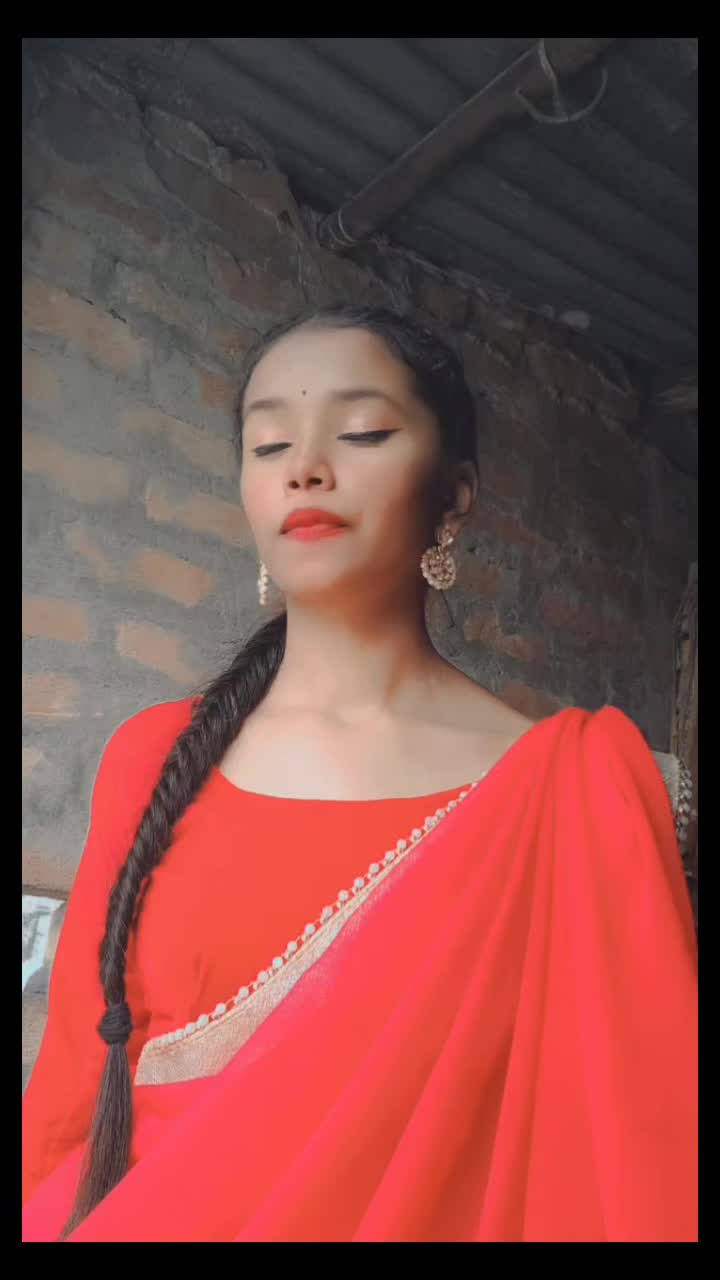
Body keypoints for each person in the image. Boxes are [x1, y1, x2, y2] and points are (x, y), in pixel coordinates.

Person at [22, 306, 698, 1243]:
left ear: (453, 496)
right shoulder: (156, 757)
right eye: (268, 445)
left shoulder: (568, 794)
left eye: (364, 432)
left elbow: (619, 1151)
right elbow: (69, 1097)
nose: (304, 467)